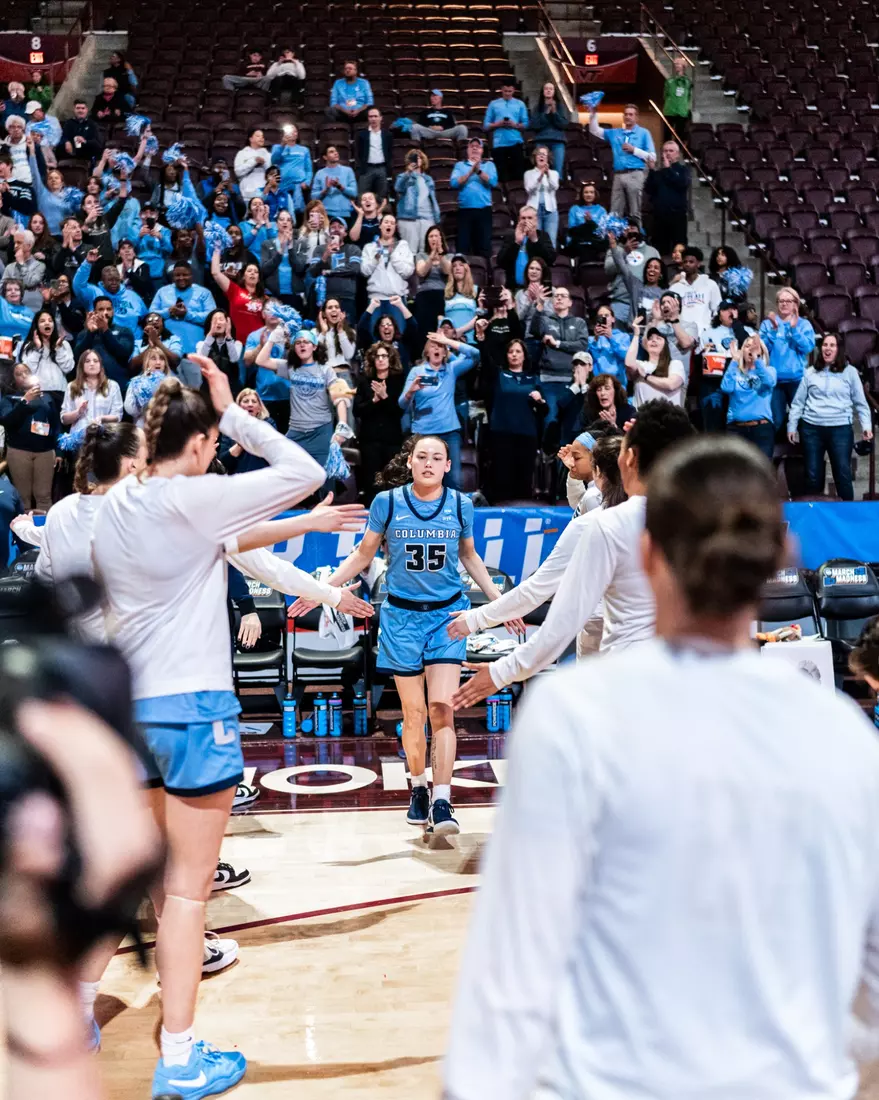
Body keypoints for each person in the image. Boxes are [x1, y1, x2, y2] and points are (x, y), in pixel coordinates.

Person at [444, 430, 879, 1100]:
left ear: (648, 555)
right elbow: (869, 983)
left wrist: (496, 665)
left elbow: (512, 968)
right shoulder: (843, 734)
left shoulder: (572, 718)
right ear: (778, 559)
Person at [89, 356, 352, 1097]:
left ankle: (75, 1014)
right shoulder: (196, 498)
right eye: (211, 442)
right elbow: (305, 465)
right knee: (184, 897)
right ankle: (178, 1058)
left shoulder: (118, 504)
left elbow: (228, 544)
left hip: (125, 711)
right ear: (200, 446)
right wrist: (231, 411)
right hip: (192, 710)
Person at [291, 434, 506, 836]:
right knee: (414, 714)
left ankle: (443, 800)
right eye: (421, 456)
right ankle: (419, 786)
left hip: (446, 618)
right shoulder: (387, 503)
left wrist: (499, 603)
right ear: (410, 463)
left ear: (447, 466)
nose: (428, 463)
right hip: (401, 619)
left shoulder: (460, 504)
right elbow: (362, 555)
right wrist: (320, 591)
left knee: (443, 707)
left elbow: (469, 556)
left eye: (436, 457)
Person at [451, 401, 694, 706]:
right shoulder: (702, 519)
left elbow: (558, 620)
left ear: (629, 457)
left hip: (628, 680)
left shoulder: (604, 524)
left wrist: (500, 670)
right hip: (689, 680)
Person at [448, 433, 626, 659]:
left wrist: (475, 619)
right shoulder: (655, 516)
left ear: (598, 472)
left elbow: (537, 588)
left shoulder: (591, 522)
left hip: (603, 633)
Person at [253, 327, 346, 484]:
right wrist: (272, 339)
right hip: (296, 431)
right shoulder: (290, 368)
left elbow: (340, 398)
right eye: (298, 343)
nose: (302, 345)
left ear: (314, 346)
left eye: (306, 342)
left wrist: (342, 423)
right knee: (286, 472)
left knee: (324, 479)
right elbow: (260, 361)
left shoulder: (326, 370)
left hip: (320, 431)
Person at [787, 331, 872, 500]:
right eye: (825, 345)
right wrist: (792, 425)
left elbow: (861, 404)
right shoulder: (810, 372)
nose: (827, 348)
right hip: (811, 429)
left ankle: (847, 517)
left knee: (842, 474)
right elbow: (798, 403)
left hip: (840, 429)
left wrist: (867, 427)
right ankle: (815, 516)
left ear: (838, 349)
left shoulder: (850, 372)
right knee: (812, 476)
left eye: (832, 345)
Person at [399, 331, 480, 489]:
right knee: (423, 480)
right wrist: (411, 391)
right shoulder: (417, 372)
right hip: (423, 433)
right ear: (427, 352)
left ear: (445, 353)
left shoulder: (451, 370)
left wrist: (447, 340)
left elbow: (475, 354)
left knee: (454, 481)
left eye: (440, 347)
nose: (436, 349)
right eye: (433, 346)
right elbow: (402, 404)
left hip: (449, 432)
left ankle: (453, 513)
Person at [530, 285, 590, 452]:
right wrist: (539, 306)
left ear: (570, 302)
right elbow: (534, 330)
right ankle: (550, 459)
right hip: (549, 380)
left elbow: (583, 344)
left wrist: (557, 344)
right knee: (551, 421)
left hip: (572, 381)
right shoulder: (547, 320)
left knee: (572, 424)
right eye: (556, 296)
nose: (559, 298)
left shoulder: (578, 323)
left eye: (563, 295)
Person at [485, 338, 544, 501]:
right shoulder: (499, 375)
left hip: (527, 435)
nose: (514, 355)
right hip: (502, 434)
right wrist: (482, 338)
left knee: (524, 478)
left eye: (518, 351)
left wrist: (540, 401)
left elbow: (543, 411)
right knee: (502, 477)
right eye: (511, 352)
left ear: (525, 355)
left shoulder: (533, 380)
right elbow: (485, 358)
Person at [0, 360, 60, 511]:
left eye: (27, 372)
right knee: (23, 496)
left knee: (44, 495)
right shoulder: (9, 399)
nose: (24, 376)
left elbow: (56, 425)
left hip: (45, 452)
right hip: (19, 451)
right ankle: (23, 533)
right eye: (19, 374)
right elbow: (7, 421)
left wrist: (58, 452)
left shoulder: (47, 397)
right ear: (13, 380)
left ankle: (44, 531)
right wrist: (25, 401)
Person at [587, 102, 656, 226]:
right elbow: (594, 130)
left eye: (631, 114)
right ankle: (616, 242)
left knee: (634, 212)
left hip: (635, 173)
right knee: (615, 212)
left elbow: (652, 156)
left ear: (636, 117)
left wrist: (634, 150)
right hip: (618, 175)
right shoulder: (615, 133)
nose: (628, 116)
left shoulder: (644, 133)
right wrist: (593, 112)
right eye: (626, 114)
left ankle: (637, 240)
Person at [759, 287, 816, 430]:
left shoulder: (804, 324)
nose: (784, 304)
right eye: (781, 301)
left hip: (796, 380)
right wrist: (773, 330)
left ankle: (802, 452)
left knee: (803, 421)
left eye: (788, 301)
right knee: (776, 422)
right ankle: (779, 451)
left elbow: (808, 347)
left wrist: (794, 330)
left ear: (795, 304)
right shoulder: (768, 323)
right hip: (774, 381)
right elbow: (761, 350)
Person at [353, 342, 405, 497]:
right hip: (370, 440)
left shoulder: (398, 381)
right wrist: (374, 400)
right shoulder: (364, 381)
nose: (381, 359)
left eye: (384, 356)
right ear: (373, 360)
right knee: (372, 482)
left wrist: (385, 397)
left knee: (393, 482)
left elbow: (399, 412)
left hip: (392, 439)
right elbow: (357, 411)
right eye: (378, 356)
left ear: (390, 359)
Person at [720, 332, 776, 459]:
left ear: (761, 351)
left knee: (761, 474)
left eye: (754, 346)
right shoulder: (735, 371)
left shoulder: (769, 370)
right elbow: (726, 388)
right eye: (747, 346)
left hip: (761, 429)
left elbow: (769, 382)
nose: (750, 349)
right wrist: (734, 361)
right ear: (742, 350)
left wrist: (757, 360)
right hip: (736, 430)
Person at [150, 261, 218, 355]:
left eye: (185, 275)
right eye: (177, 275)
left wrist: (187, 314)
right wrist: (168, 312)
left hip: (195, 348)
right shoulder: (162, 292)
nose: (181, 278)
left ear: (191, 275)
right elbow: (151, 315)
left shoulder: (204, 293)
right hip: (167, 349)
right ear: (173, 277)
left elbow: (212, 317)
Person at [72, 250, 146, 334]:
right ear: (102, 281)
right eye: (110, 280)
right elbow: (78, 285)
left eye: (116, 280)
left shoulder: (133, 296)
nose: (114, 282)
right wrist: (87, 263)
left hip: (131, 341)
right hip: (102, 340)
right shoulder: (94, 293)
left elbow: (145, 318)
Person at [72, 296, 134, 392]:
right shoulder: (84, 333)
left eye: (108, 309)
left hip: (118, 385)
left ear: (113, 311)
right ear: (94, 312)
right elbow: (77, 356)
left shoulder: (124, 331)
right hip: (89, 386)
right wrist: (90, 333)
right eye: (101, 309)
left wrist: (105, 330)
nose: (105, 312)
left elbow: (124, 353)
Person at [360, 214, 415, 318]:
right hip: (375, 299)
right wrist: (375, 259)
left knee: (399, 332)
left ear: (395, 227)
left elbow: (408, 272)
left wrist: (393, 256)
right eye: (386, 222)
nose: (389, 225)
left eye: (392, 223)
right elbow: (364, 271)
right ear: (380, 226)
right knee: (374, 332)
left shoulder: (402, 246)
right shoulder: (369, 247)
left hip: (397, 299)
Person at [450, 138, 497, 259]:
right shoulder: (460, 165)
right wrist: (470, 172)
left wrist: (479, 171)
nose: (475, 148)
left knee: (484, 246)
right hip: (465, 210)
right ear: (467, 150)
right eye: (472, 146)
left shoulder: (489, 165)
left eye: (478, 146)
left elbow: (493, 182)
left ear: (482, 150)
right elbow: (454, 183)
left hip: (484, 210)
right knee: (463, 246)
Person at [306, 216, 361, 320]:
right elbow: (313, 272)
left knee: (347, 331)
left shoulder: (353, 249)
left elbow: (354, 269)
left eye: (340, 227)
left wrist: (329, 272)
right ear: (329, 232)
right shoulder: (320, 249)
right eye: (333, 227)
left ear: (345, 233)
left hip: (346, 297)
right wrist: (325, 256)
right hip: (324, 298)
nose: (336, 229)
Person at [603, 225, 659, 327]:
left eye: (633, 228)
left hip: (643, 303)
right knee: (618, 337)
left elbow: (659, 274)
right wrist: (625, 251)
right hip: (620, 302)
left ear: (639, 231)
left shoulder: (652, 251)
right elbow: (608, 269)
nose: (629, 230)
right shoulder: (616, 249)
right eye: (626, 228)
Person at [18, 307, 73, 408]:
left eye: (50, 321)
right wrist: (38, 349)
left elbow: (68, 368)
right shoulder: (29, 346)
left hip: (61, 392)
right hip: (39, 393)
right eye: (42, 321)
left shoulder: (64, 345)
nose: (47, 323)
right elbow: (28, 371)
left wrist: (59, 349)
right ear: (37, 326)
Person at [60, 349, 123, 437]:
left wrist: (102, 418)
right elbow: (64, 419)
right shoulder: (72, 386)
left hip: (104, 438)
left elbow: (117, 416)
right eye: (87, 361)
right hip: (79, 439)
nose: (92, 364)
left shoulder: (112, 386)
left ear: (101, 365)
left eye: (96, 361)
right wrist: (78, 412)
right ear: (82, 366)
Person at [626, 321, 686, 408]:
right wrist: (636, 335)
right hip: (644, 419)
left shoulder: (675, 364)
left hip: (669, 418)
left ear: (665, 345)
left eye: (658, 338)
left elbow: (671, 384)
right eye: (650, 338)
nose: (653, 340)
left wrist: (646, 376)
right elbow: (629, 363)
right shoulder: (641, 364)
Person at [209, 251, 266, 342]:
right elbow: (216, 273)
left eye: (256, 272)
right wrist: (217, 249)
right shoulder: (234, 290)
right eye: (249, 271)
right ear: (243, 276)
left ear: (258, 279)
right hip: (236, 342)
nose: (252, 273)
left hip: (257, 343)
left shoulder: (265, 299)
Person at [497, 204, 556, 291]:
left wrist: (535, 240)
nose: (526, 221)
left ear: (536, 221)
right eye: (523, 218)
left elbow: (550, 259)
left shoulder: (543, 236)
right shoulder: (511, 237)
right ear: (518, 220)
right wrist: (517, 242)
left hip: (538, 289)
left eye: (529, 218)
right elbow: (501, 262)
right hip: (514, 288)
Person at [645, 140, 689, 257]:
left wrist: (668, 168)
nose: (668, 153)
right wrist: (652, 171)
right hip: (660, 217)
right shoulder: (658, 173)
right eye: (665, 151)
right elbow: (649, 189)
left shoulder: (683, 170)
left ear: (677, 154)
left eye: (671, 151)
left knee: (679, 248)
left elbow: (681, 184)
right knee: (660, 249)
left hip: (677, 216)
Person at [394, 148, 441, 255]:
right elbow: (398, 188)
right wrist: (408, 173)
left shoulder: (428, 179)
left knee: (426, 251)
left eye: (419, 157)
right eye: (414, 157)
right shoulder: (403, 176)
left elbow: (432, 199)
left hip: (428, 218)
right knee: (411, 251)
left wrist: (436, 216)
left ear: (423, 160)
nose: (417, 159)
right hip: (408, 218)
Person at [669, 245, 721, 337]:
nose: (687, 264)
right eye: (685, 262)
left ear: (698, 263)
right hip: (682, 335)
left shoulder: (710, 284)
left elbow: (717, 309)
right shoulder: (675, 288)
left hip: (705, 334)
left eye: (691, 262)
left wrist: (711, 331)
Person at [483, 79, 529, 183]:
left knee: (518, 176)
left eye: (510, 91)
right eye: (505, 91)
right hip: (499, 144)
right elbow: (485, 125)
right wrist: (497, 124)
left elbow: (526, 124)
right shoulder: (493, 104)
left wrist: (515, 125)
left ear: (514, 91)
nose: (507, 93)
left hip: (516, 143)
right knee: (501, 177)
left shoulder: (520, 104)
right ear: (501, 90)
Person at [414, 224, 452, 340]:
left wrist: (440, 254)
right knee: (425, 329)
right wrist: (431, 256)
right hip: (425, 294)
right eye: (431, 236)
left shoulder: (449, 256)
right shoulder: (421, 255)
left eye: (436, 236)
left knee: (442, 328)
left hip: (443, 294)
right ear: (427, 240)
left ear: (441, 238)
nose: (434, 239)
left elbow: (448, 271)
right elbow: (421, 272)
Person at [195, 308, 242, 397]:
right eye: (214, 320)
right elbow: (201, 359)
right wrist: (210, 335)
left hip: (231, 390)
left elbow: (233, 359)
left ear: (228, 323)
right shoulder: (201, 344)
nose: (218, 322)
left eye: (221, 319)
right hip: (208, 389)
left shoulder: (236, 344)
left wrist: (228, 336)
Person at [271, 123, 313, 217]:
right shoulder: (277, 147)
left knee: (300, 215)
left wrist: (307, 182)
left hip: (300, 187)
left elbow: (309, 170)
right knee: (284, 213)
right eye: (289, 130)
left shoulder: (304, 150)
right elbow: (274, 161)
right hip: (283, 186)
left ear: (297, 134)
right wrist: (282, 144)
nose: (292, 133)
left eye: (294, 131)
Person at [530, 82, 570, 179]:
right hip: (541, 140)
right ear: (543, 92)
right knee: (540, 169)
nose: (548, 90)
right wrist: (546, 113)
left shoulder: (560, 107)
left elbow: (563, 124)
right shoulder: (537, 107)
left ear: (554, 92)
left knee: (557, 170)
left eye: (551, 89)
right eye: (546, 88)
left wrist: (555, 113)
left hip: (558, 141)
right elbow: (535, 125)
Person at [123, 346, 171, 426]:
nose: (158, 362)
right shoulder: (136, 382)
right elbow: (130, 409)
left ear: (165, 364)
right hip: (143, 424)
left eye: (162, 359)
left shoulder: (172, 383)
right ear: (147, 362)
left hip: (166, 426)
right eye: (153, 358)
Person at [523, 145, 561, 247]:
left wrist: (547, 174)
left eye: (544, 154)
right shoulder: (528, 173)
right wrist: (540, 176)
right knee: (535, 241)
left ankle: (549, 263)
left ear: (548, 158)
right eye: (539, 154)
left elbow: (555, 187)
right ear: (535, 157)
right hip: (534, 212)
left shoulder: (554, 173)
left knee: (550, 241)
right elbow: (529, 189)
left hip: (550, 211)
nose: (542, 156)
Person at [312, 144, 358, 223]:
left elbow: (354, 193)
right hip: (326, 214)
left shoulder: (348, 171)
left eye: (336, 151)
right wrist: (326, 190)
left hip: (345, 214)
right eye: (331, 152)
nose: (336, 153)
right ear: (325, 157)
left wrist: (339, 186)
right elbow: (313, 197)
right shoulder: (319, 173)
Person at [587, 304, 630, 387]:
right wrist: (596, 338)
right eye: (600, 316)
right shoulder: (592, 340)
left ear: (613, 319)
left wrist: (611, 338)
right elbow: (593, 358)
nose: (603, 318)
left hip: (618, 382)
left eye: (606, 315)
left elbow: (625, 356)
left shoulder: (623, 336)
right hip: (598, 382)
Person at [564, 179, 607, 261]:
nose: (589, 195)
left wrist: (590, 223)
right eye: (586, 192)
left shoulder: (601, 210)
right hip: (579, 242)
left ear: (595, 194)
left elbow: (602, 231)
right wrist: (587, 225)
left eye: (591, 192)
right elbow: (572, 231)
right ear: (582, 194)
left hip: (596, 243)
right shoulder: (574, 209)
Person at [355, 107, 392, 201]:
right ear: (368, 118)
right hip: (366, 169)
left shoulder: (387, 134)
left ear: (380, 118)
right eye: (371, 116)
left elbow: (389, 152)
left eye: (375, 116)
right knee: (362, 196)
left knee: (382, 197)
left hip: (382, 168)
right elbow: (358, 152)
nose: (373, 119)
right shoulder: (362, 135)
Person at [443, 254, 479, 342]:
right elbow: (440, 317)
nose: (457, 268)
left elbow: (479, 317)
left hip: (470, 340)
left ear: (466, 268)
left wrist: (460, 331)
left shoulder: (476, 290)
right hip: (449, 341)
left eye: (461, 265)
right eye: (454, 266)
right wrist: (451, 334)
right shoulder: (445, 293)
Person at [233, 128, 272, 204]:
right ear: (251, 139)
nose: (261, 138)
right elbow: (238, 172)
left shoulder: (268, 155)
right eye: (258, 136)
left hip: (264, 194)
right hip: (247, 195)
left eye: (262, 136)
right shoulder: (242, 153)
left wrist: (264, 164)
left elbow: (272, 173)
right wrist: (254, 162)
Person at [663, 54, 693, 142]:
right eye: (675, 64)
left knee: (680, 136)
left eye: (678, 64)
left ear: (683, 66)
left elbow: (688, 96)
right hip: (669, 111)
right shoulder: (669, 81)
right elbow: (665, 94)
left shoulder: (687, 82)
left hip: (681, 112)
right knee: (667, 135)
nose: (676, 66)